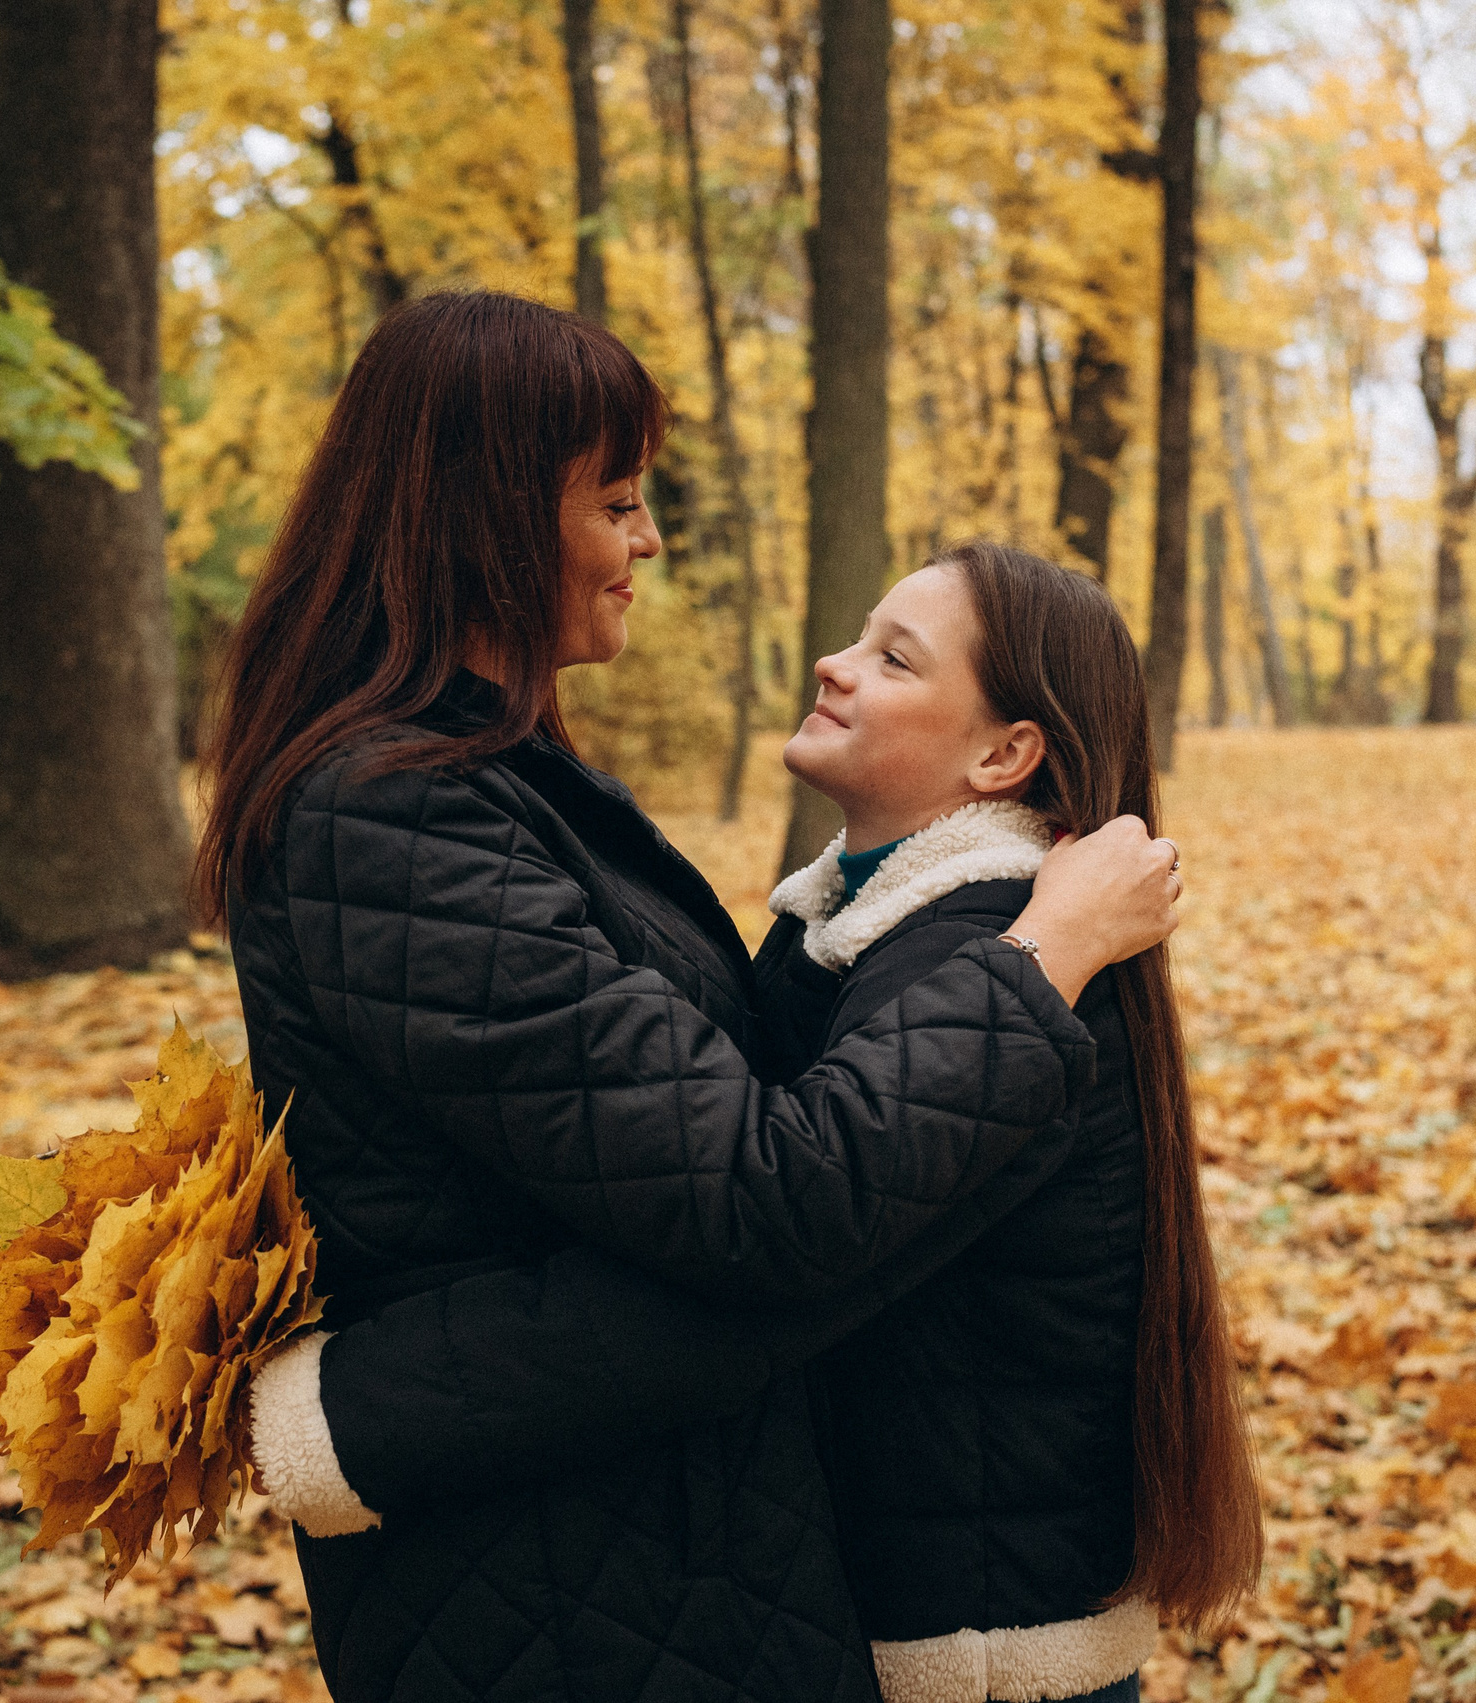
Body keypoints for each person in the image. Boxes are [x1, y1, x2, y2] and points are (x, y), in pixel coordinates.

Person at [196, 292, 1183, 1703]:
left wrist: (368, 1416)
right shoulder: (395, 820)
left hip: (634, 1556)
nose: (646, 540)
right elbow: (763, 1195)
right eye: (616, 501)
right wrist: (1041, 962)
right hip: (556, 1591)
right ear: (486, 516)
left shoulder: (491, 788)